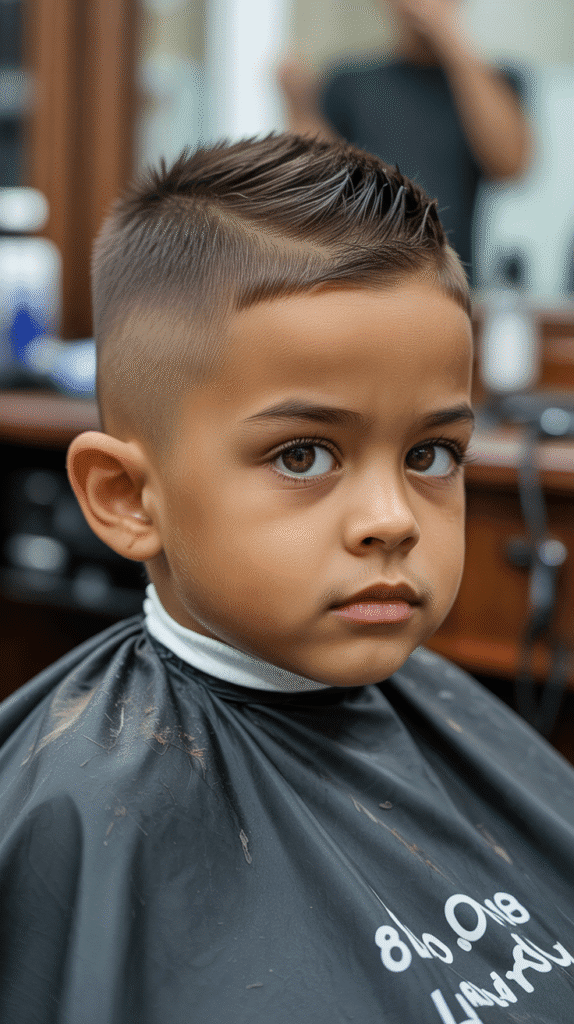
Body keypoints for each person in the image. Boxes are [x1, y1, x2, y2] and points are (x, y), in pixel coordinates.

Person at [0, 134, 573, 1024]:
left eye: (432, 453)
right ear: (125, 498)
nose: (393, 518)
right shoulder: (81, 817)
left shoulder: (453, 714)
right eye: (303, 455)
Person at [278, 0, 532, 277]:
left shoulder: (496, 83)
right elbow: (318, 183)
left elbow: (511, 165)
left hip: (453, 281)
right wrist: (299, 107)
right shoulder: (350, 82)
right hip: (361, 278)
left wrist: (447, 31)